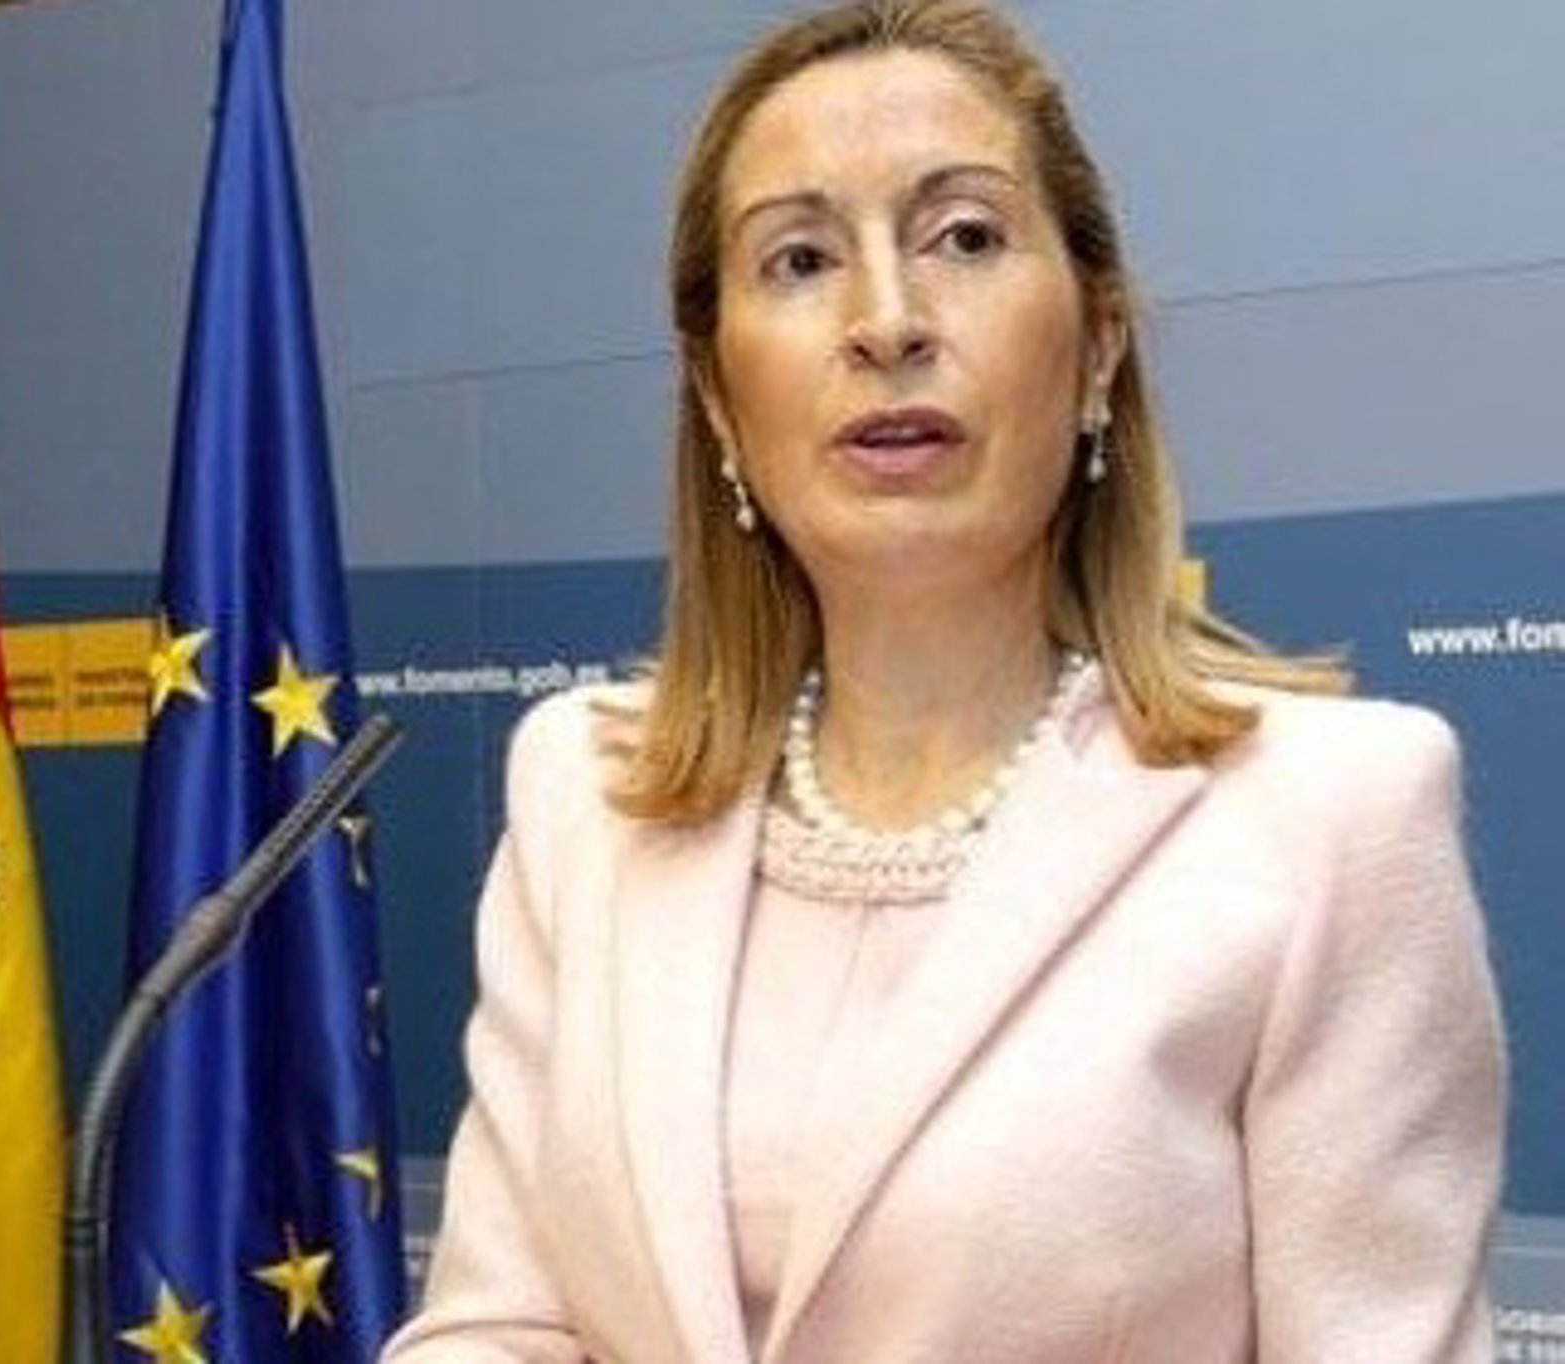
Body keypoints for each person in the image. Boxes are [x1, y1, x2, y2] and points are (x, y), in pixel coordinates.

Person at [381, 1, 1506, 1359]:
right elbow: (498, 1323)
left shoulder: (1333, 817)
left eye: (964, 238)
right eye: (800, 259)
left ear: (1097, 346)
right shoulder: (584, 792)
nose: (887, 322)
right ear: (720, 397)